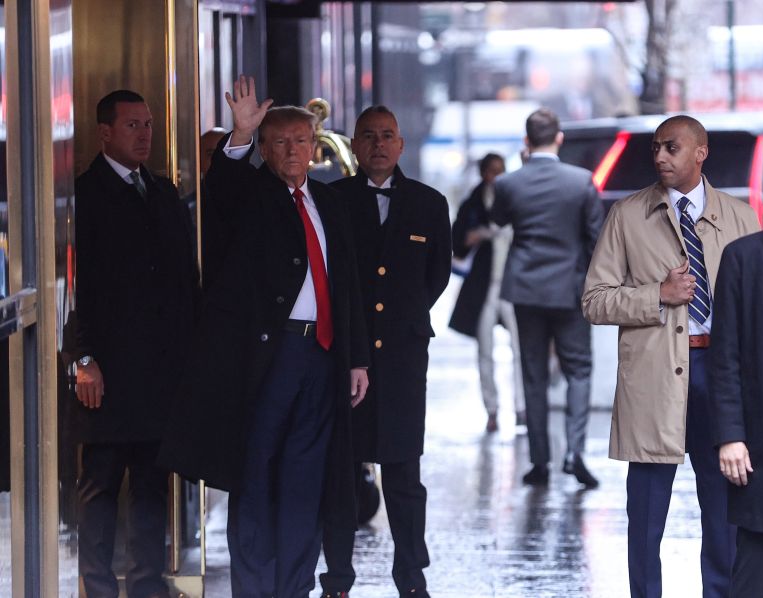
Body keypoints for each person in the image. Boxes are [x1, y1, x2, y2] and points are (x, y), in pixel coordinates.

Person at [158, 76, 369, 598]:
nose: (292, 150)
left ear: (314, 146)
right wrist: (240, 136)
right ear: (266, 150)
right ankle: (253, 589)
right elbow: (222, 187)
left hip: (322, 356)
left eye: (300, 140)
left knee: (305, 480)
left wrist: (357, 359)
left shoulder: (330, 202)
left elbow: (349, 286)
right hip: (268, 358)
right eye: (279, 142)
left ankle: (293, 588)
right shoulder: (250, 195)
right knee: (254, 475)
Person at [582, 114, 760, 598]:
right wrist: (657, 294)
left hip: (720, 376)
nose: (659, 156)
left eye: (672, 147)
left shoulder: (740, 217)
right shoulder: (627, 216)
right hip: (653, 375)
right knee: (645, 512)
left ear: (700, 153)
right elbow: (594, 300)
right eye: (656, 147)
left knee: (724, 507)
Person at [319, 105, 451, 598]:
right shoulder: (333, 200)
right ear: (355, 145)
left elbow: (436, 275)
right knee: (341, 472)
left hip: (402, 357)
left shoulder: (429, 203)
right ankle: (336, 578)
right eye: (369, 136)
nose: (378, 144)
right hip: (344, 353)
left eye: (387, 135)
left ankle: (411, 577)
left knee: (403, 472)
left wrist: (400, 316)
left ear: (401, 144)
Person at [73, 89, 199, 598]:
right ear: (105, 133)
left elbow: (185, 281)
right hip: (105, 371)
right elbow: (72, 288)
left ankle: (148, 586)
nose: (145, 134)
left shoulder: (162, 190)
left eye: (148, 124)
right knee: (100, 487)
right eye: (132, 125)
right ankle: (98, 588)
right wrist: (83, 358)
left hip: (160, 372)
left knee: (151, 487)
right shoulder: (82, 195)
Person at [491, 108, 604, 488]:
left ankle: (540, 461)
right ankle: (574, 453)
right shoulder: (581, 182)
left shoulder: (509, 183)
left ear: (526, 141)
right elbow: (596, 238)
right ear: (559, 138)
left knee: (533, 374)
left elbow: (499, 220)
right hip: (570, 290)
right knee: (579, 371)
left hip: (526, 289)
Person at [708, 229, 763, 598]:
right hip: (762, 442)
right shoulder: (742, 257)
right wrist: (730, 435)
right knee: (753, 565)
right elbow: (724, 355)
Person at [448, 153, 526, 433]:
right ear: (483, 173)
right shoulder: (473, 202)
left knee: (521, 348)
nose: (497, 175)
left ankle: (521, 407)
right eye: (492, 170)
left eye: (501, 170)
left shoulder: (516, 200)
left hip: (512, 286)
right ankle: (491, 409)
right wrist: (476, 235)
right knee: (485, 350)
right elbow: (457, 241)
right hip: (484, 287)